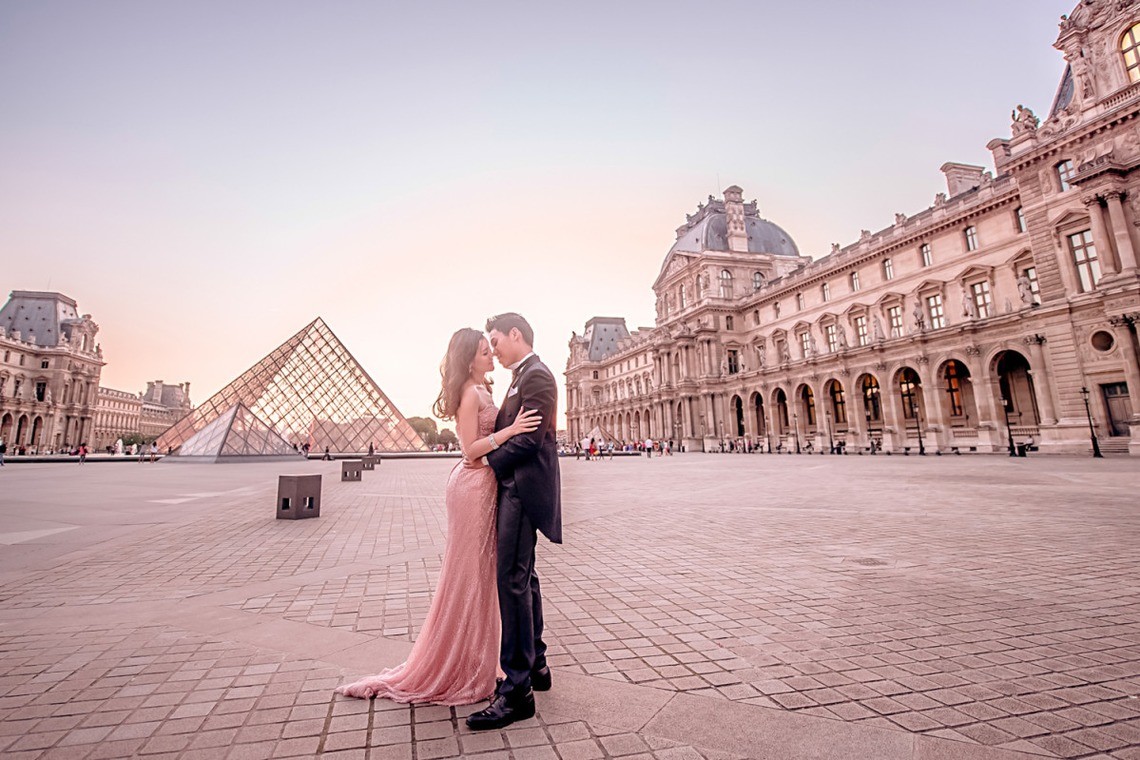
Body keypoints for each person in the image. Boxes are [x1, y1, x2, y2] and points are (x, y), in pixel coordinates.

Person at [337, 328, 541, 705]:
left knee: (482, 576)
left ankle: (478, 661)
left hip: (485, 488)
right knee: (469, 575)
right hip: (472, 488)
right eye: (484, 351)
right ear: (469, 360)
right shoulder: (469, 393)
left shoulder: (486, 390)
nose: (491, 355)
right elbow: (469, 451)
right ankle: (459, 664)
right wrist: (511, 430)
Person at [466, 312, 562, 730]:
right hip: (519, 487)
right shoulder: (523, 376)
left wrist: (489, 462)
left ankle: (517, 690)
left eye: (495, 338)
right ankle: (536, 665)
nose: (493, 347)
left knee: (512, 580)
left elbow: (530, 439)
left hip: (521, 489)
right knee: (526, 579)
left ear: (515, 334)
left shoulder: (536, 376)